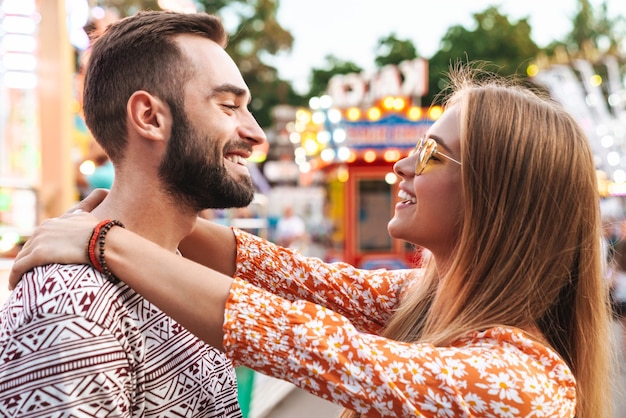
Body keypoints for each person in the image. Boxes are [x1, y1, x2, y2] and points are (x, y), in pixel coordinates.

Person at [9, 65, 612, 418]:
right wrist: (132, 215)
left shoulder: (529, 382)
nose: (400, 166)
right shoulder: (433, 298)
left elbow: (324, 349)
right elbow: (293, 278)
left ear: (500, 195)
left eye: (431, 153)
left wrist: (107, 241)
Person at [1, 10, 266, 417]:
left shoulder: (179, 276)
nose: (255, 134)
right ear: (149, 117)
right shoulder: (72, 309)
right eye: (229, 106)